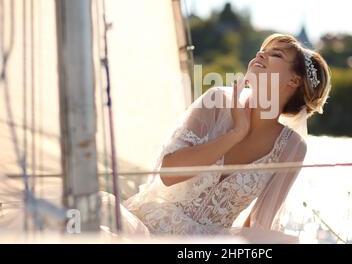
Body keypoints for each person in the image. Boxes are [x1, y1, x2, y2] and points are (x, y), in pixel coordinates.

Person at [105, 33, 332, 242]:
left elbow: (260, 223)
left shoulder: (292, 147)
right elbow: (168, 173)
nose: (261, 54)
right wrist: (235, 134)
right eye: (263, 50)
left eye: (276, 54)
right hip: (148, 227)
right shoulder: (217, 102)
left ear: (294, 80)